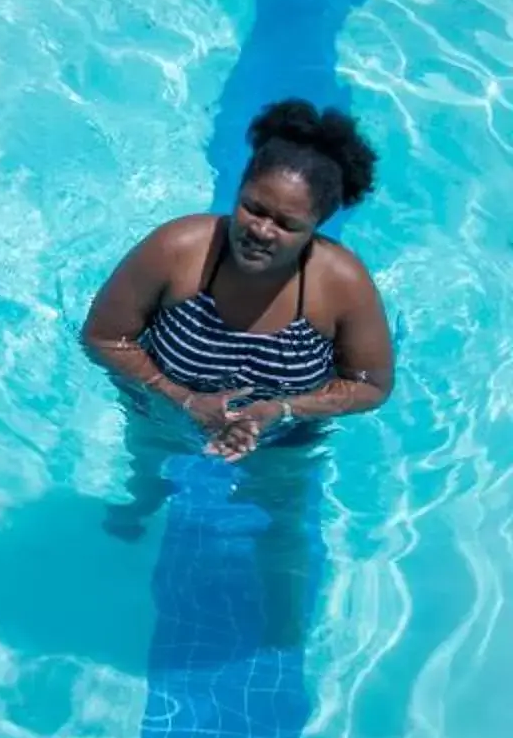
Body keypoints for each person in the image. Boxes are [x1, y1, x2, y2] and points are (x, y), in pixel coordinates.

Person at [82, 99, 392, 470]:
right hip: (164, 414)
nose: (261, 231)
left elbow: (371, 385)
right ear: (238, 190)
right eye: (253, 208)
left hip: (283, 437)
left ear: (316, 227)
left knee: (283, 524)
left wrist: (282, 411)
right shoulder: (176, 251)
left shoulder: (343, 285)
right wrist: (182, 400)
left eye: (286, 224)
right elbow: (104, 337)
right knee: (139, 499)